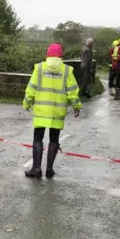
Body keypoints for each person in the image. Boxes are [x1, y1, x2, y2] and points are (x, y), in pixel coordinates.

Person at [23, 43, 82, 179]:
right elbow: (72, 91)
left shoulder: (39, 68)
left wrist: (26, 103)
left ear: (47, 54)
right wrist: (76, 106)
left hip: (41, 110)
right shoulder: (66, 70)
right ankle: (49, 169)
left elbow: (31, 88)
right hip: (57, 110)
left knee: (38, 137)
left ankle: (36, 169)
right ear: (61, 55)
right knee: (54, 139)